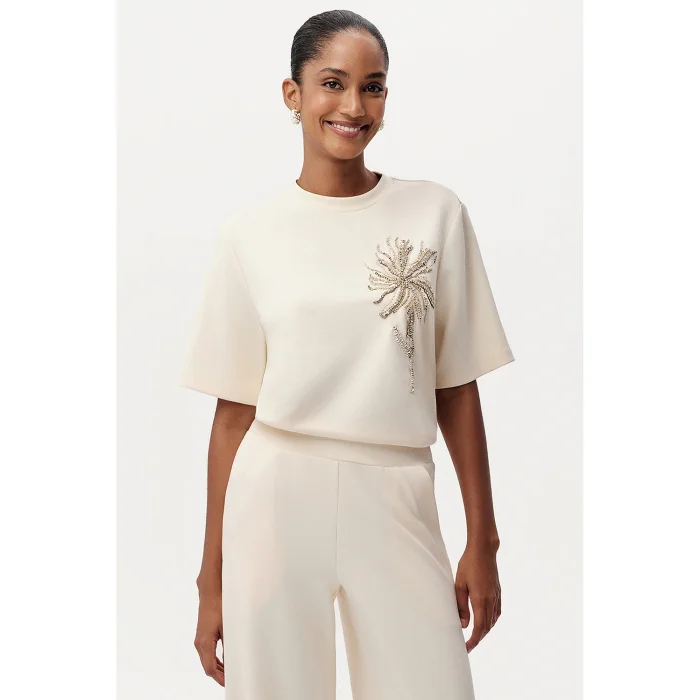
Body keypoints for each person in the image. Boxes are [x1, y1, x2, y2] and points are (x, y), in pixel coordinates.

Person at [180, 9, 515, 700]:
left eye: (373, 86)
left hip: (397, 488)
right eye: (332, 83)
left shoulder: (435, 214)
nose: (354, 106)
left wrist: (482, 539)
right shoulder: (252, 234)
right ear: (294, 93)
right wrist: (211, 578)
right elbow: (233, 416)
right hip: (275, 493)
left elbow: (456, 388)